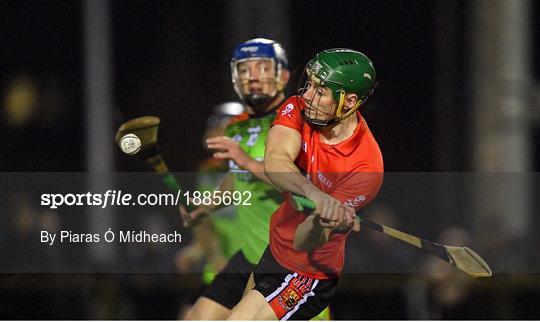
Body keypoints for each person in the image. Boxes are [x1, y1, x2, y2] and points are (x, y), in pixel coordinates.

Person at [227, 48, 384, 320]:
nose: (307, 95)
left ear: (349, 101)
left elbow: (304, 241)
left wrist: (323, 221)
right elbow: (275, 163)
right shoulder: (298, 108)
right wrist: (315, 194)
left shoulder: (365, 168)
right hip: (275, 249)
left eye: (320, 91)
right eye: (309, 84)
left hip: (306, 274)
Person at [179, 38, 291, 320]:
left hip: (288, 260)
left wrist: (246, 160)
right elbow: (236, 176)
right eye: (244, 70)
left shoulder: (293, 123)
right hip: (249, 254)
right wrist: (207, 206)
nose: (253, 76)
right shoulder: (238, 126)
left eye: (263, 68)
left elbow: (292, 180)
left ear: (283, 76)